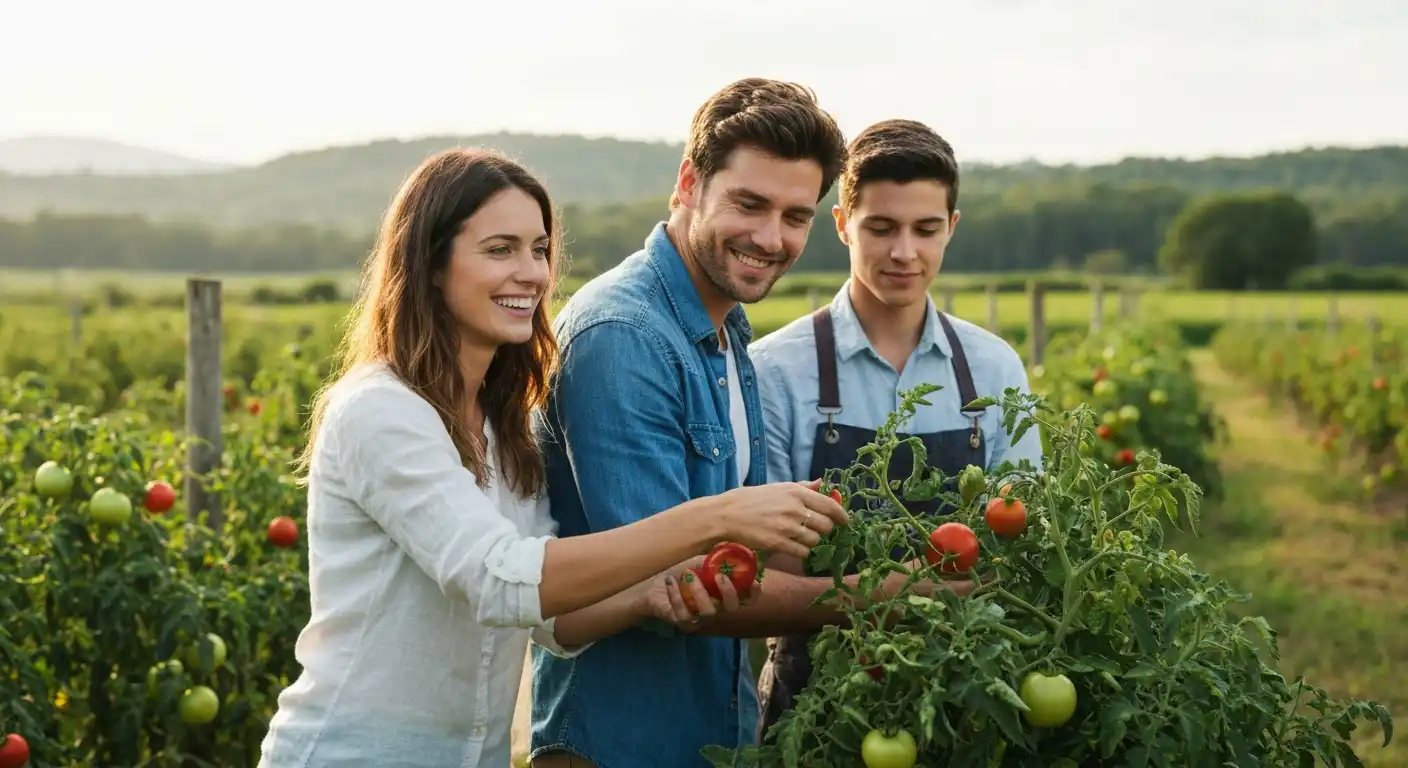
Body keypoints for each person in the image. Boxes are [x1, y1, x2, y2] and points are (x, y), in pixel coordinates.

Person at [255, 147, 848, 768]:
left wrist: (647, 596)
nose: (532, 274)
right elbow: (499, 579)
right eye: (499, 249)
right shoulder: (381, 411)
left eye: (539, 250)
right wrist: (716, 518)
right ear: (430, 263)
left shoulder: (499, 427)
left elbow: (551, 621)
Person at [526, 79, 963, 768]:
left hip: (708, 729)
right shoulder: (624, 334)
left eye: (795, 216)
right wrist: (901, 593)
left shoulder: (724, 326)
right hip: (619, 741)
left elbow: (751, 553)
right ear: (688, 183)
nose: (770, 238)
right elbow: (690, 582)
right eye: (750, 205)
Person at [747, 118, 1046, 739]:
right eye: (880, 228)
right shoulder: (776, 371)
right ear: (841, 226)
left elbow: (1026, 547)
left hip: (969, 689)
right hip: (820, 701)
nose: (904, 252)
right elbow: (772, 572)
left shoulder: (993, 368)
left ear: (951, 229)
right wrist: (904, 593)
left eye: (925, 229)